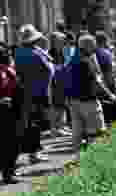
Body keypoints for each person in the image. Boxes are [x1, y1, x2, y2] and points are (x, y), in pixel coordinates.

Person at [66, 34, 116, 158]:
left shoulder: (73, 58)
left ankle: (78, 158)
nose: (95, 47)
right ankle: (95, 159)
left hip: (73, 100)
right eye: (93, 45)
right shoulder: (87, 59)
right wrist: (110, 95)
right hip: (88, 100)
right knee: (96, 132)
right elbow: (97, 80)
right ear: (88, 46)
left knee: (77, 132)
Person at [14, 24, 54, 164]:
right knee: (35, 124)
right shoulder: (36, 54)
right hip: (38, 92)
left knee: (28, 122)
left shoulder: (18, 52)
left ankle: (32, 151)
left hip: (24, 91)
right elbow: (49, 70)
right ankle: (34, 153)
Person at [0, 44, 22, 183]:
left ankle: (9, 171)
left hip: (12, 110)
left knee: (10, 143)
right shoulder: (5, 72)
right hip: (5, 111)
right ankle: (8, 173)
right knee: (8, 143)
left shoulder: (9, 71)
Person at [48, 31, 71, 136]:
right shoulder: (50, 53)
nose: (63, 43)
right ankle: (54, 128)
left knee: (62, 104)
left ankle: (61, 126)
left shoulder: (61, 52)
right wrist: (62, 68)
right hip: (54, 82)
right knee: (55, 105)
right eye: (61, 41)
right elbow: (51, 68)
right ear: (55, 42)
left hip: (62, 81)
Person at [95, 31, 116, 124]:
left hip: (97, 84)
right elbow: (110, 69)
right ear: (104, 41)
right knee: (109, 111)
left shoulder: (92, 53)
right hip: (108, 83)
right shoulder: (106, 53)